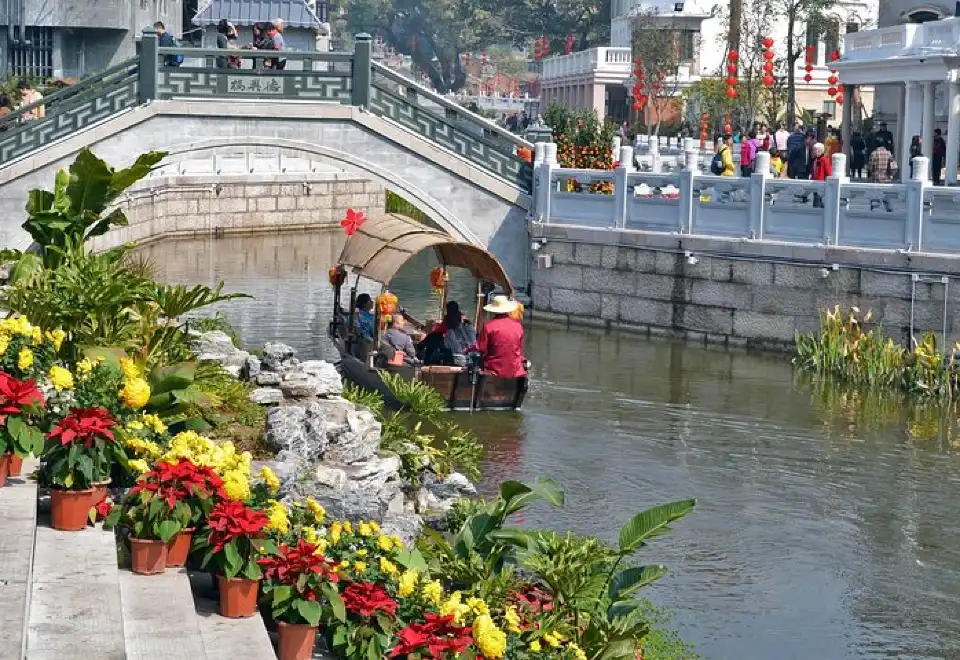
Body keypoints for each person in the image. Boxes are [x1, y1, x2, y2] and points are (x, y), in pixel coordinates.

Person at [476, 296, 527, 378]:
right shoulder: (518, 326)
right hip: (515, 370)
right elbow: (519, 348)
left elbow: (481, 349)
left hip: (494, 370)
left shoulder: (488, 326)